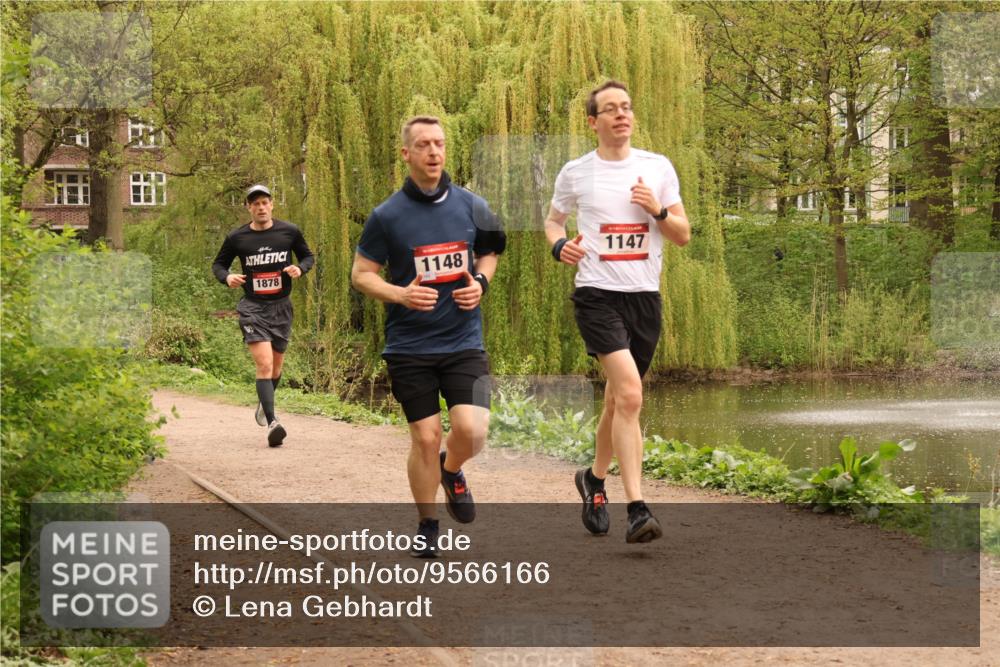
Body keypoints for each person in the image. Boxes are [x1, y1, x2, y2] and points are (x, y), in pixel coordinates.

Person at [351, 116, 505, 558]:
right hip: (410, 347)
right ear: (407, 154)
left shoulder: (474, 205)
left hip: (463, 341)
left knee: (472, 432)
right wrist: (399, 293)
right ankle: (428, 524)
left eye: (439, 143)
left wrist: (480, 281)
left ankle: (451, 470)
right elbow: (362, 275)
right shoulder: (386, 216)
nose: (434, 151)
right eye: (423, 145)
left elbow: (491, 252)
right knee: (425, 437)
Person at [544, 80, 691, 543]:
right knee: (628, 394)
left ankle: (593, 480)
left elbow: (683, 233)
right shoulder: (576, 172)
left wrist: (658, 211)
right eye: (610, 109)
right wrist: (560, 246)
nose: (621, 115)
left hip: (644, 298)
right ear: (594, 122)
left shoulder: (657, 167)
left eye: (626, 107)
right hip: (597, 295)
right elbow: (553, 221)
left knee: (615, 401)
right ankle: (638, 508)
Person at [212, 184, 315, 447]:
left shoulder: (289, 231)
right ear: (248, 207)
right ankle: (273, 422)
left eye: (264, 202)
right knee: (265, 365)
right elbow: (219, 264)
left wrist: (300, 269)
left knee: (277, 367)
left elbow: (308, 256)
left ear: (271, 205)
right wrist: (228, 277)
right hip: (252, 308)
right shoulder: (238, 237)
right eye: (255, 203)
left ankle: (264, 402)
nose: (260, 207)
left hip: (281, 307)